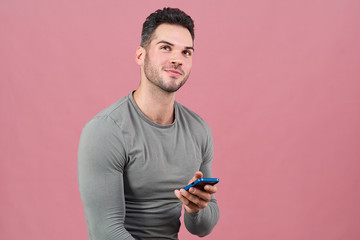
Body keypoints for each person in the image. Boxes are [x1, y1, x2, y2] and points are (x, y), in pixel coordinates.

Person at [78, 7, 219, 240]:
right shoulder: (105, 130)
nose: (177, 59)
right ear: (140, 56)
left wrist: (196, 209)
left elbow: (202, 228)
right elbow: (105, 231)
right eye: (166, 48)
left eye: (186, 52)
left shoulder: (198, 129)